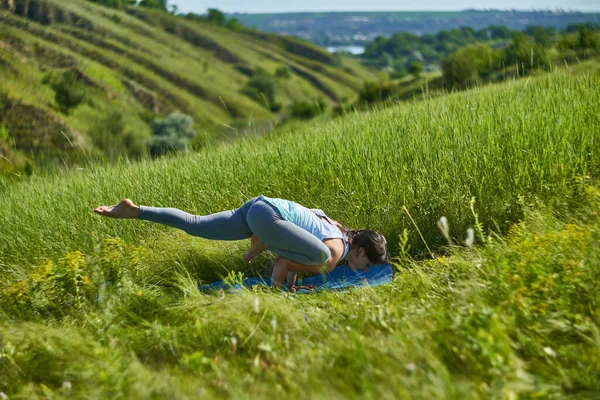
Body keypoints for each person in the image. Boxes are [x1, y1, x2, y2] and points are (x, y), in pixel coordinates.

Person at [93, 195, 389, 290]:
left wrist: (291, 284)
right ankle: (260, 240)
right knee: (321, 260)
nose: (363, 271)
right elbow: (284, 262)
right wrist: (280, 295)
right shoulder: (334, 253)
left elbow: (296, 246)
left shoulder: (337, 229)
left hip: (261, 207)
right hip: (268, 216)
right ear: (360, 251)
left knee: (195, 224)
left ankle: (134, 211)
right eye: (367, 265)